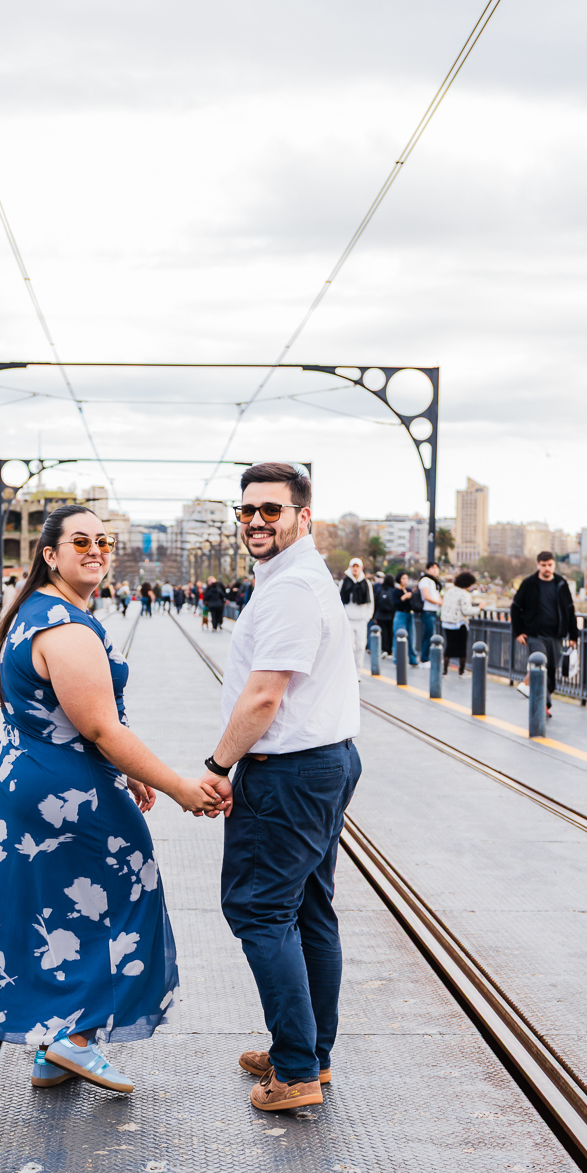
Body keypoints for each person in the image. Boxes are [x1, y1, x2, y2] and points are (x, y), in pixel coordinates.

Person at [0, 505, 221, 1096]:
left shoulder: (34, 612)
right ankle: (72, 1040)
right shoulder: (67, 629)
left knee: (52, 910)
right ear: (50, 554)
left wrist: (125, 773)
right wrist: (179, 787)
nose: (95, 550)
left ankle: (56, 1045)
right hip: (66, 793)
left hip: (29, 779)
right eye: (80, 542)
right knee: (125, 898)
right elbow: (99, 728)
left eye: (103, 540)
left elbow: (75, 720)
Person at [200, 462, 361, 1113]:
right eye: (248, 511)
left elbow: (265, 697)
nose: (258, 521)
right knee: (308, 909)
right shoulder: (292, 579)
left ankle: (295, 1070)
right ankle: (308, 1052)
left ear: (303, 517)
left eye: (272, 510)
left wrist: (216, 769)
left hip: (290, 770)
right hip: (320, 762)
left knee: (261, 911)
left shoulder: (292, 589)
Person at [511, 550, 578, 716]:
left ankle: (544, 700)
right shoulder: (529, 583)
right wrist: (518, 632)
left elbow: (570, 610)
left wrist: (573, 635)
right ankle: (543, 705)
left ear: (554, 565)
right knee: (540, 666)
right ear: (538, 565)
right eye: (543, 565)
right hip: (534, 635)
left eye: (550, 565)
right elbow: (515, 607)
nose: (547, 568)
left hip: (556, 635)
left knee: (551, 670)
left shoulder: (561, 583)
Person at [339, 557, 373, 667]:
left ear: (361, 568)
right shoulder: (344, 582)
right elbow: (339, 601)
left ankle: (358, 673)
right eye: (353, 566)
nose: (355, 569)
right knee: (349, 647)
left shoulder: (366, 583)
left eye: (357, 566)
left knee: (360, 646)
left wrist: (367, 617)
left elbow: (370, 602)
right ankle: (350, 670)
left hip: (361, 620)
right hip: (348, 619)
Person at [441, 571, 476, 675]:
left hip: (447, 622)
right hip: (459, 623)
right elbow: (466, 611)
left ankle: (445, 670)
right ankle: (461, 671)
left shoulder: (449, 591)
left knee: (449, 647)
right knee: (462, 648)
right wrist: (479, 608)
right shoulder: (464, 594)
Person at [418, 561, 443, 664]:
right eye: (432, 568)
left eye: (436, 568)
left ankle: (429, 657)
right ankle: (425, 658)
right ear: (427, 569)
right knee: (428, 635)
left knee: (431, 635)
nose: (435, 570)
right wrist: (438, 602)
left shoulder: (434, 582)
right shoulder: (425, 580)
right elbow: (426, 596)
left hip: (433, 611)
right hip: (427, 611)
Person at [391, 571, 415, 662]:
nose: (405, 580)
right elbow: (395, 604)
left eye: (406, 578)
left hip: (409, 614)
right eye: (403, 578)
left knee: (411, 637)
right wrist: (404, 597)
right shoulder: (396, 591)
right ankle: (398, 658)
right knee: (399, 636)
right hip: (400, 614)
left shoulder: (409, 589)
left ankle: (412, 658)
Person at [373, 573, 395, 655]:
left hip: (380, 615)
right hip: (390, 615)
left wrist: (374, 615)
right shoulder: (393, 590)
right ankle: (389, 649)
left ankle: (383, 649)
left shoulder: (380, 589)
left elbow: (376, 602)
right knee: (390, 632)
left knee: (383, 633)